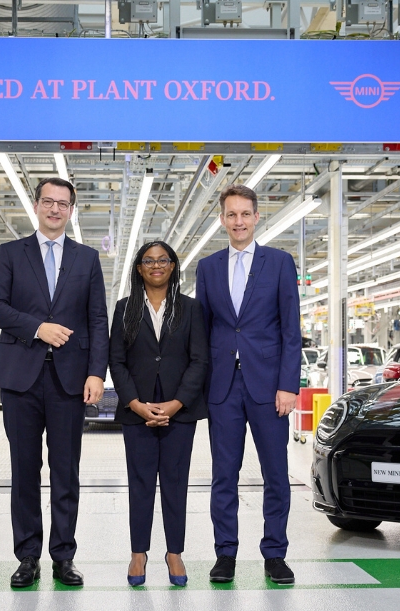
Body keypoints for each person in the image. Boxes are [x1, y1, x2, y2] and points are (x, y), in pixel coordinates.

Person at [0, 177, 108, 588]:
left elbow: (97, 321)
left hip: (70, 380)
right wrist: (38, 327)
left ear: (72, 210)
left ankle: (63, 556)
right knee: (24, 470)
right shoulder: (10, 253)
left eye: (63, 204)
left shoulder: (87, 259)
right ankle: (27, 557)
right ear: (36, 206)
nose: (55, 209)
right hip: (21, 379)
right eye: (48, 202)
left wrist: (96, 373)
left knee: (66, 471)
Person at [195, 184, 302, 585]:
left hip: (270, 386)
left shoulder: (278, 263)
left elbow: (292, 329)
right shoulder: (207, 268)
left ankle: (275, 553)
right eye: (231, 215)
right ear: (221, 219)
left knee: (276, 473)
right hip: (223, 389)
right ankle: (226, 553)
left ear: (257, 217)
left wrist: (289, 385)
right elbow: (203, 334)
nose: (238, 221)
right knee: (224, 474)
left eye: (245, 214)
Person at [109, 241, 208, 587]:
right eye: (148, 261)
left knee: (175, 483)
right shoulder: (124, 310)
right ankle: (139, 552)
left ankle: (174, 553)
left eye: (162, 260)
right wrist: (135, 403)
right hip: (137, 412)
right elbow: (117, 362)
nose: (156, 265)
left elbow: (199, 361)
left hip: (179, 412)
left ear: (173, 266)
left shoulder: (191, 309)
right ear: (139, 268)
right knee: (139, 484)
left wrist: (177, 402)